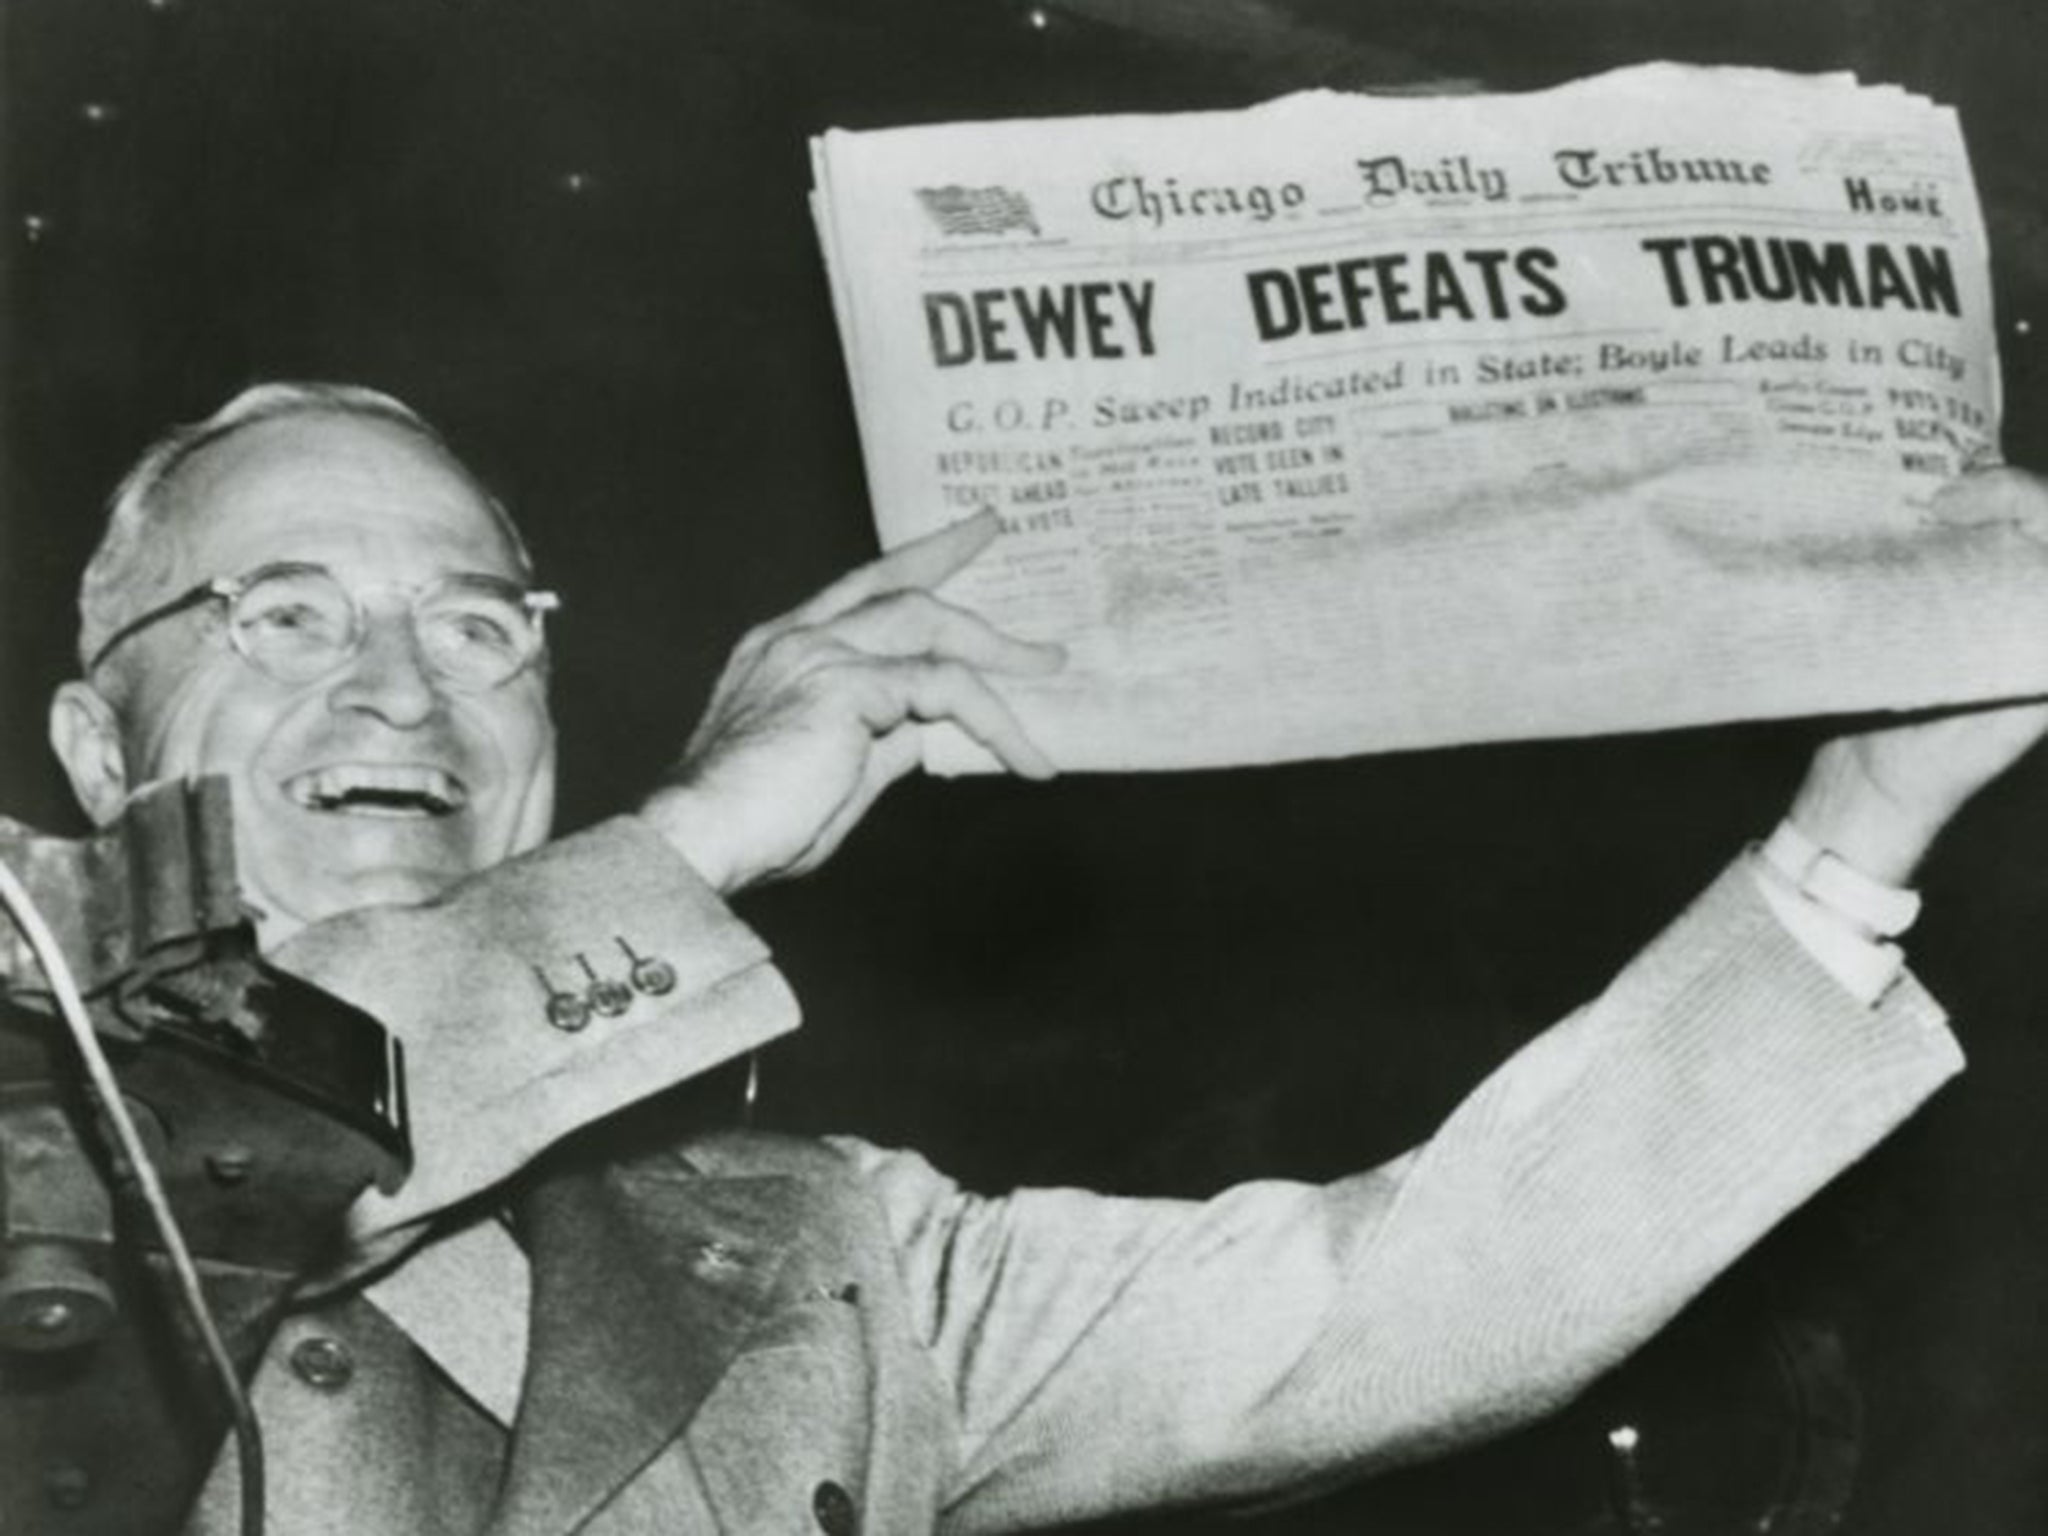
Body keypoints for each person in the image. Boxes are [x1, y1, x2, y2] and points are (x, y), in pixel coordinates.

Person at [35, 381, 2047, 1534]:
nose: (401, 686)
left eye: (479, 627)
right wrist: (701, 841)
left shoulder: (793, 1257)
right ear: (95, 741)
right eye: (279, 614)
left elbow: (1402, 1298)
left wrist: (1858, 824)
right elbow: (192, 1146)